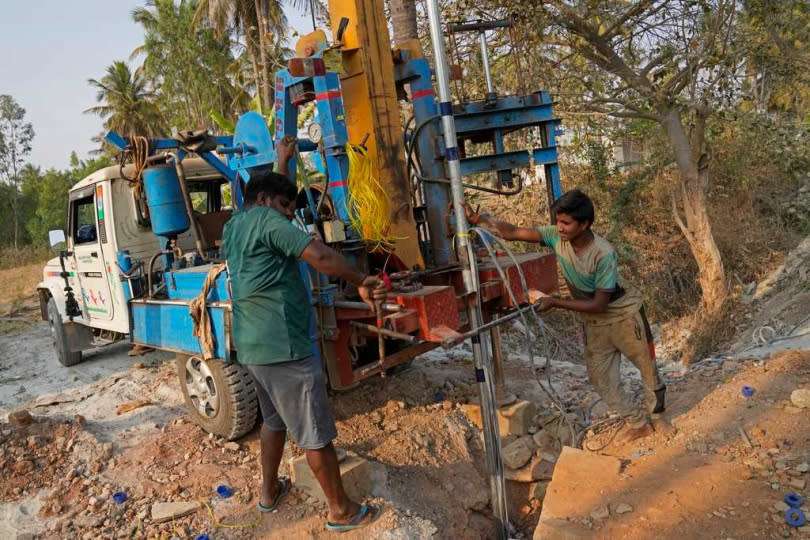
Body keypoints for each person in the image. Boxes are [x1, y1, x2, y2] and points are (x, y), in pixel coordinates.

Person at [222, 137, 384, 531]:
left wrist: (283, 161)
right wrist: (362, 277)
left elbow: (274, 202)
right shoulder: (266, 218)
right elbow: (323, 258)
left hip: (252, 346)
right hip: (286, 346)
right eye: (285, 208)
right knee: (315, 434)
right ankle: (341, 511)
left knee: (274, 422)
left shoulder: (235, 224)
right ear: (264, 200)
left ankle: (267, 493)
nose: (288, 217)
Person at [463, 189, 666, 443]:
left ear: (585, 224)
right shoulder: (555, 237)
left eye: (566, 223)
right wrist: (479, 220)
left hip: (625, 315)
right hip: (595, 322)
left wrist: (556, 302)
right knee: (600, 378)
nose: (559, 227)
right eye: (558, 221)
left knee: (647, 370)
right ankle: (637, 422)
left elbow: (600, 303)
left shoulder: (604, 253)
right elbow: (514, 231)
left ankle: (659, 419)